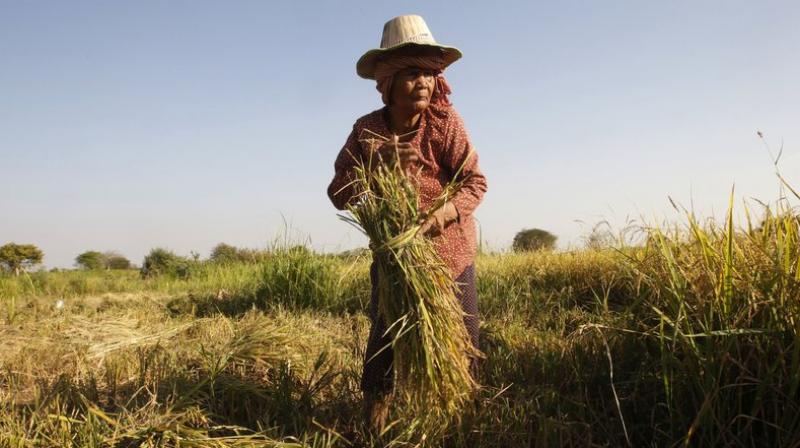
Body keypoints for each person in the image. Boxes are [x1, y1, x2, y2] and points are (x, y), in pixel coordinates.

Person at [326, 14, 487, 432]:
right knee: (383, 345)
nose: (425, 83)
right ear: (389, 82)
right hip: (395, 260)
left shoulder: (444, 123)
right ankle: (373, 431)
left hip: (449, 254)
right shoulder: (367, 131)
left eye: (429, 73)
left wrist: (443, 214)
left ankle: (464, 426)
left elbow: (475, 182)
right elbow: (338, 196)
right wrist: (374, 167)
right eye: (412, 73)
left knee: (464, 343)